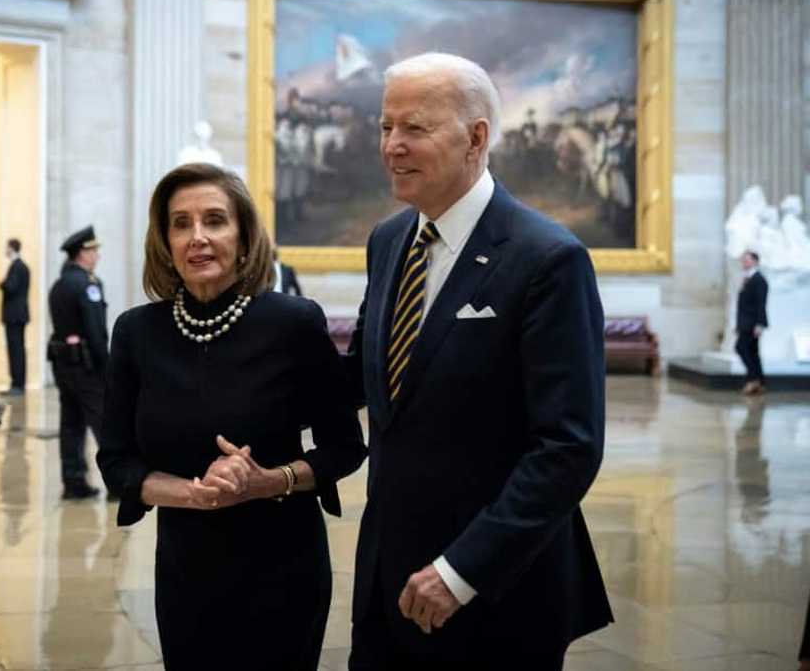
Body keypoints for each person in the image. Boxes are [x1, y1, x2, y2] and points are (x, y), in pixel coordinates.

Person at [345, 52, 612, 670]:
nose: (392, 146)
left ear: (476, 137)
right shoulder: (389, 240)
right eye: (386, 127)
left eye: (414, 128)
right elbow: (365, 377)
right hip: (389, 581)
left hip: (496, 593)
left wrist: (462, 571)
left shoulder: (548, 258)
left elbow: (568, 448)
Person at [97, 163, 366, 671]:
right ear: (165, 241)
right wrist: (191, 495)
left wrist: (268, 481)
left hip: (283, 567)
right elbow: (116, 461)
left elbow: (344, 447)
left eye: (214, 220)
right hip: (186, 570)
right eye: (181, 223)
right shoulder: (136, 333)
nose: (197, 237)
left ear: (243, 237)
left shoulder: (293, 323)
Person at [48, 226, 110, 500]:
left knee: (71, 423)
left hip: (63, 364)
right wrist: (107, 367)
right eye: (93, 250)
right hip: (87, 366)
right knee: (104, 423)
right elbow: (96, 331)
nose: (97, 255)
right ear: (82, 253)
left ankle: (74, 482)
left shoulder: (59, 285)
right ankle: (119, 484)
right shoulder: (88, 285)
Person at [0, 238, 30, 396]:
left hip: (15, 315)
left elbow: (11, 287)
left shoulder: (17, 266)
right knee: (16, 349)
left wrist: (2, 283)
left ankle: (18, 385)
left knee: (16, 350)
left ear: (12, 248)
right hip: (17, 315)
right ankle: (16, 383)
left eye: (7, 247)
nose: (5, 250)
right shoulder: (19, 266)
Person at [735, 250, 768, 395]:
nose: (744, 262)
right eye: (743, 260)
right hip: (745, 323)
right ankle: (759, 382)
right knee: (753, 352)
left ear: (755, 261)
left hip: (753, 324)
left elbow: (761, 304)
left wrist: (760, 324)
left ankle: (753, 378)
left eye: (746, 260)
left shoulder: (759, 280)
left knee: (741, 348)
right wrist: (738, 325)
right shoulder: (747, 278)